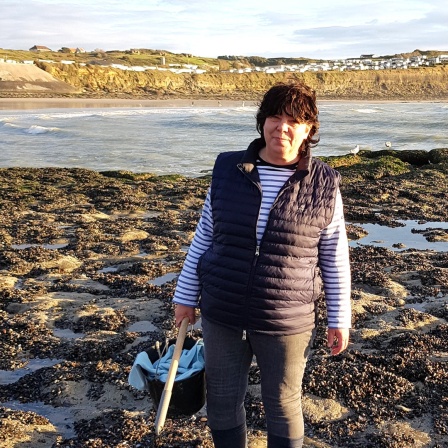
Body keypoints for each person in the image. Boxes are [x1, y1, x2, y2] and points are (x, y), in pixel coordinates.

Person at [173, 81, 351, 448]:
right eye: (274, 116)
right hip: (222, 311)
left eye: (294, 120)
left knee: (283, 404)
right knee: (221, 401)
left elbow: (334, 257)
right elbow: (204, 236)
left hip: (286, 318)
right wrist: (185, 296)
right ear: (262, 121)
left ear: (309, 131)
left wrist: (339, 318)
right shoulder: (227, 168)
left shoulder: (324, 184)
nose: (281, 127)